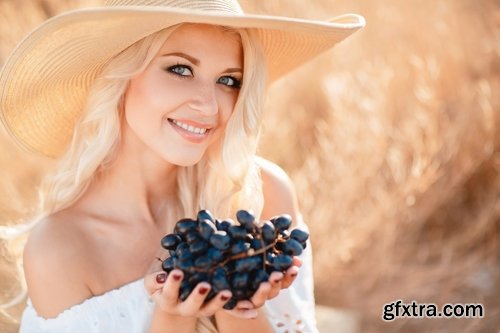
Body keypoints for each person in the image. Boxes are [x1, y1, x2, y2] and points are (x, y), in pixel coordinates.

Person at [0, 0, 364, 332]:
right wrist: (172, 316)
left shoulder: (263, 192)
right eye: (180, 69)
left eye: (228, 80)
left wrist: (236, 305)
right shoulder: (62, 248)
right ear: (121, 76)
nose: (208, 106)